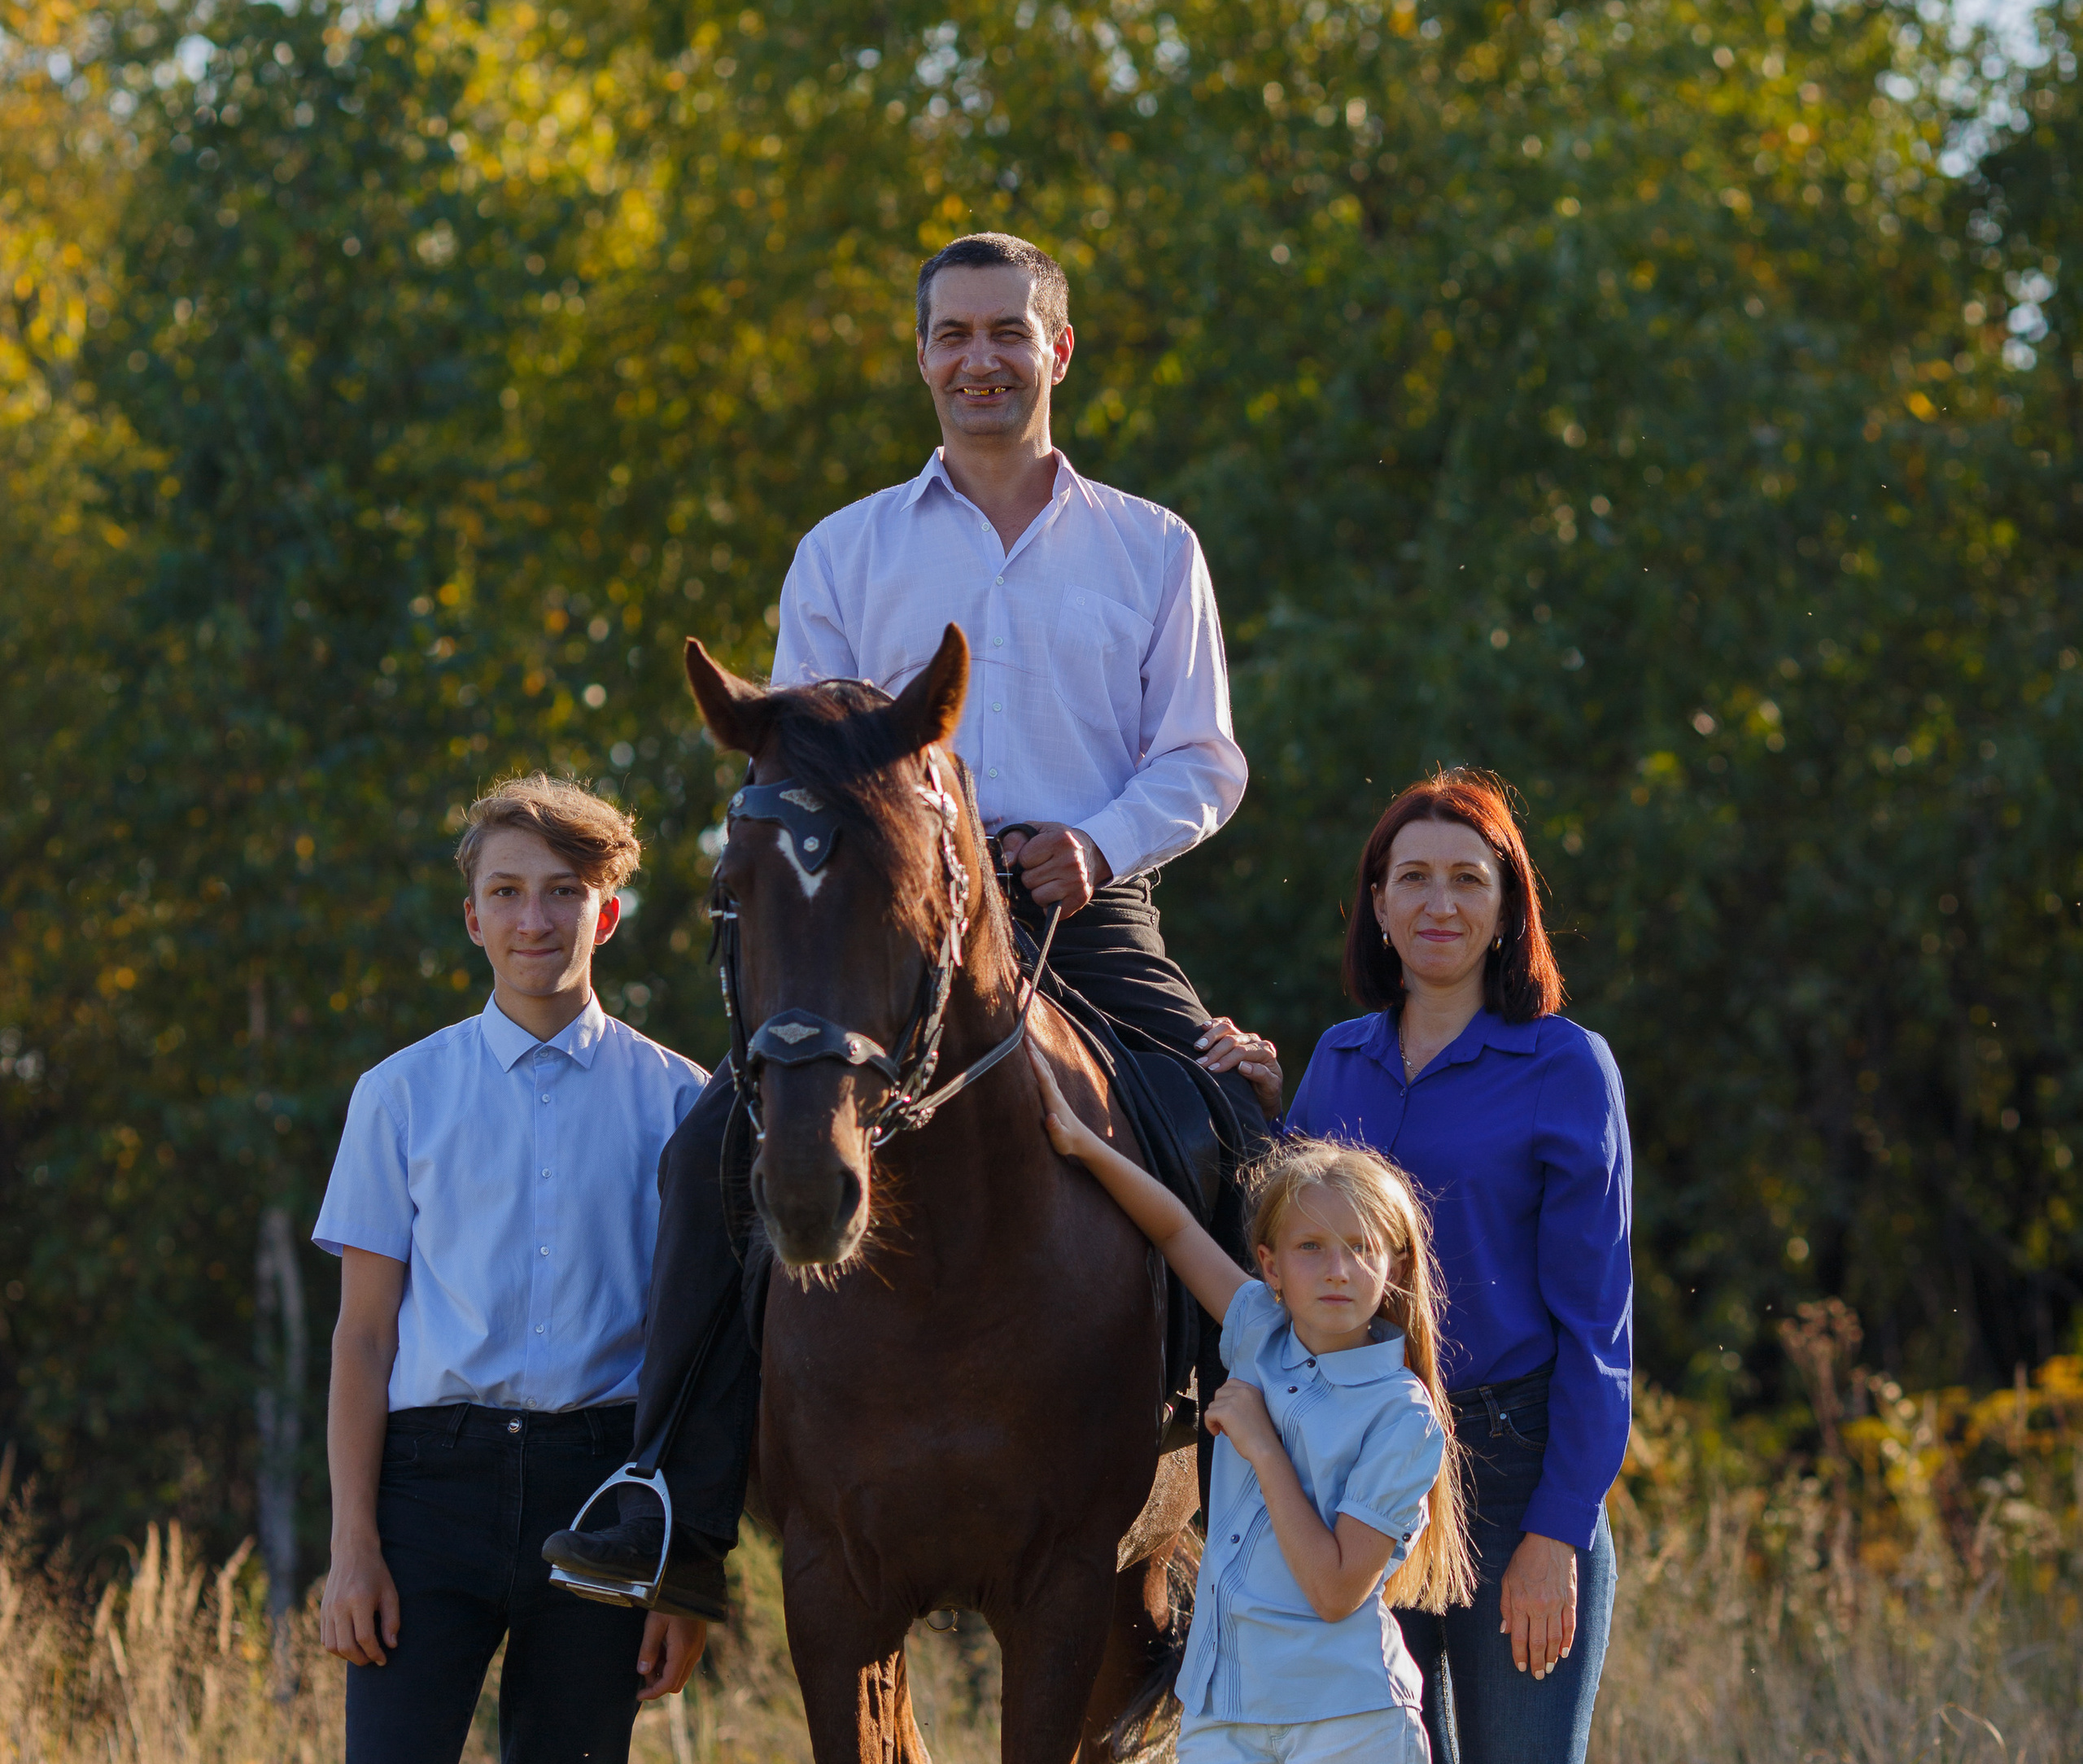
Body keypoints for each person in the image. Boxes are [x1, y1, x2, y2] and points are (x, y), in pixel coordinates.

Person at [545, 229, 1282, 1611]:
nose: (980, 359)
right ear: (924, 357)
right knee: (710, 1147)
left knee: (1231, 1131)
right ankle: (671, 1497)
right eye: (953, 334)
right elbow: (799, 758)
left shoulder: (1151, 547)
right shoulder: (848, 549)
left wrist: (1095, 840)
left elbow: (1204, 759)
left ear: (1056, 351)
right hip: (879, 933)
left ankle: (1254, 1509)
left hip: (1083, 915)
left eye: (1009, 332)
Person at [313, 775, 707, 1764]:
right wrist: (352, 1546)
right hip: (427, 1493)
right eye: (506, 891)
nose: (534, 917)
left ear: (606, 912)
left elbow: (697, 1357)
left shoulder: (683, 1107)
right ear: (472, 918)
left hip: (603, 1495)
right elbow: (363, 1338)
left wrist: (685, 1573)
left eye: (565, 890)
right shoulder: (397, 1096)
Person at [1278, 768, 1632, 1764]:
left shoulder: (1565, 1067)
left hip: (1511, 1471)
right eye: (1415, 878)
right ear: (1378, 905)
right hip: (1354, 1469)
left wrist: (1557, 1531)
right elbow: (1285, 1250)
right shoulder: (1335, 1062)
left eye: (1469, 879)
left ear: (1508, 905)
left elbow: (1598, 1330)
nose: (1441, 903)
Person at [1032, 1055, 1474, 1763]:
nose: (1338, 1270)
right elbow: (1175, 1231)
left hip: (1346, 1721)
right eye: (1311, 1248)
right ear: (1270, 1266)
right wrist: (1085, 1142)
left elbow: (1334, 1591)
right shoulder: (1256, 1328)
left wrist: (1262, 1447)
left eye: (1361, 1249)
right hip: (1221, 1713)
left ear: (1393, 1264)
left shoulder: (1402, 1415)